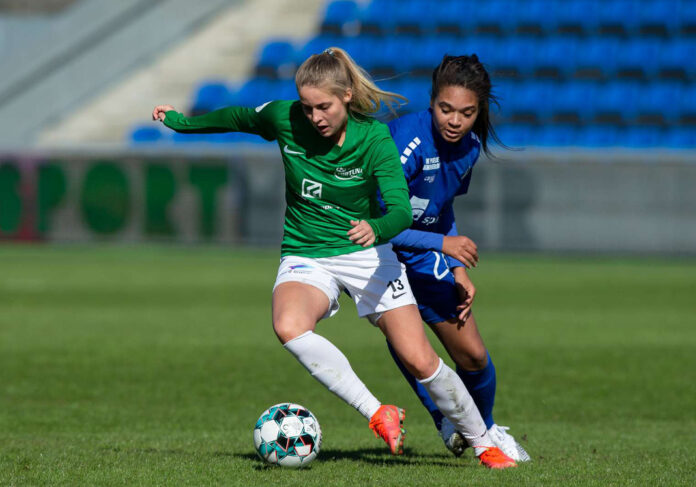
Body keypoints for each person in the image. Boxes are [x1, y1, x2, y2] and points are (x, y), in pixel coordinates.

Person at [152, 47, 515, 468]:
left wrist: (377, 228)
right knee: (288, 326)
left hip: (368, 254)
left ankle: (484, 443)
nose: (314, 117)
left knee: (421, 360)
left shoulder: (375, 138)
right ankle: (377, 412)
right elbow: (239, 118)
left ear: (346, 96)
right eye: (307, 107)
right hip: (307, 252)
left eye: (323, 106)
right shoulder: (285, 118)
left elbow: (400, 210)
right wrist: (182, 123)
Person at [385, 54, 531, 462]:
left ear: (479, 111)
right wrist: (444, 247)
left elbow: (442, 207)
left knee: (474, 355)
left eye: (466, 113)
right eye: (445, 109)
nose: (454, 120)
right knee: (411, 344)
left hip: (424, 253)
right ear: (431, 101)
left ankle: (484, 426)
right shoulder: (405, 144)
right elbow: (377, 225)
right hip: (376, 256)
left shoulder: (469, 148)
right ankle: (449, 420)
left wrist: (457, 268)